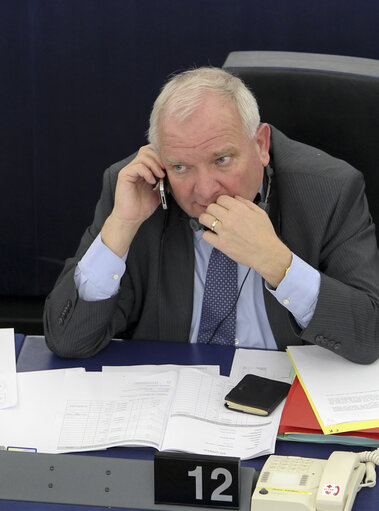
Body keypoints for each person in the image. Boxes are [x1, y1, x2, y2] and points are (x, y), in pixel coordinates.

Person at [44, 67, 379, 363]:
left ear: (261, 145)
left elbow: (369, 337)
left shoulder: (329, 190)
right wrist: (121, 226)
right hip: (170, 402)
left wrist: (278, 264)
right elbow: (69, 341)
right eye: (181, 167)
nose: (204, 191)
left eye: (221, 160)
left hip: (285, 397)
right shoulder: (135, 190)